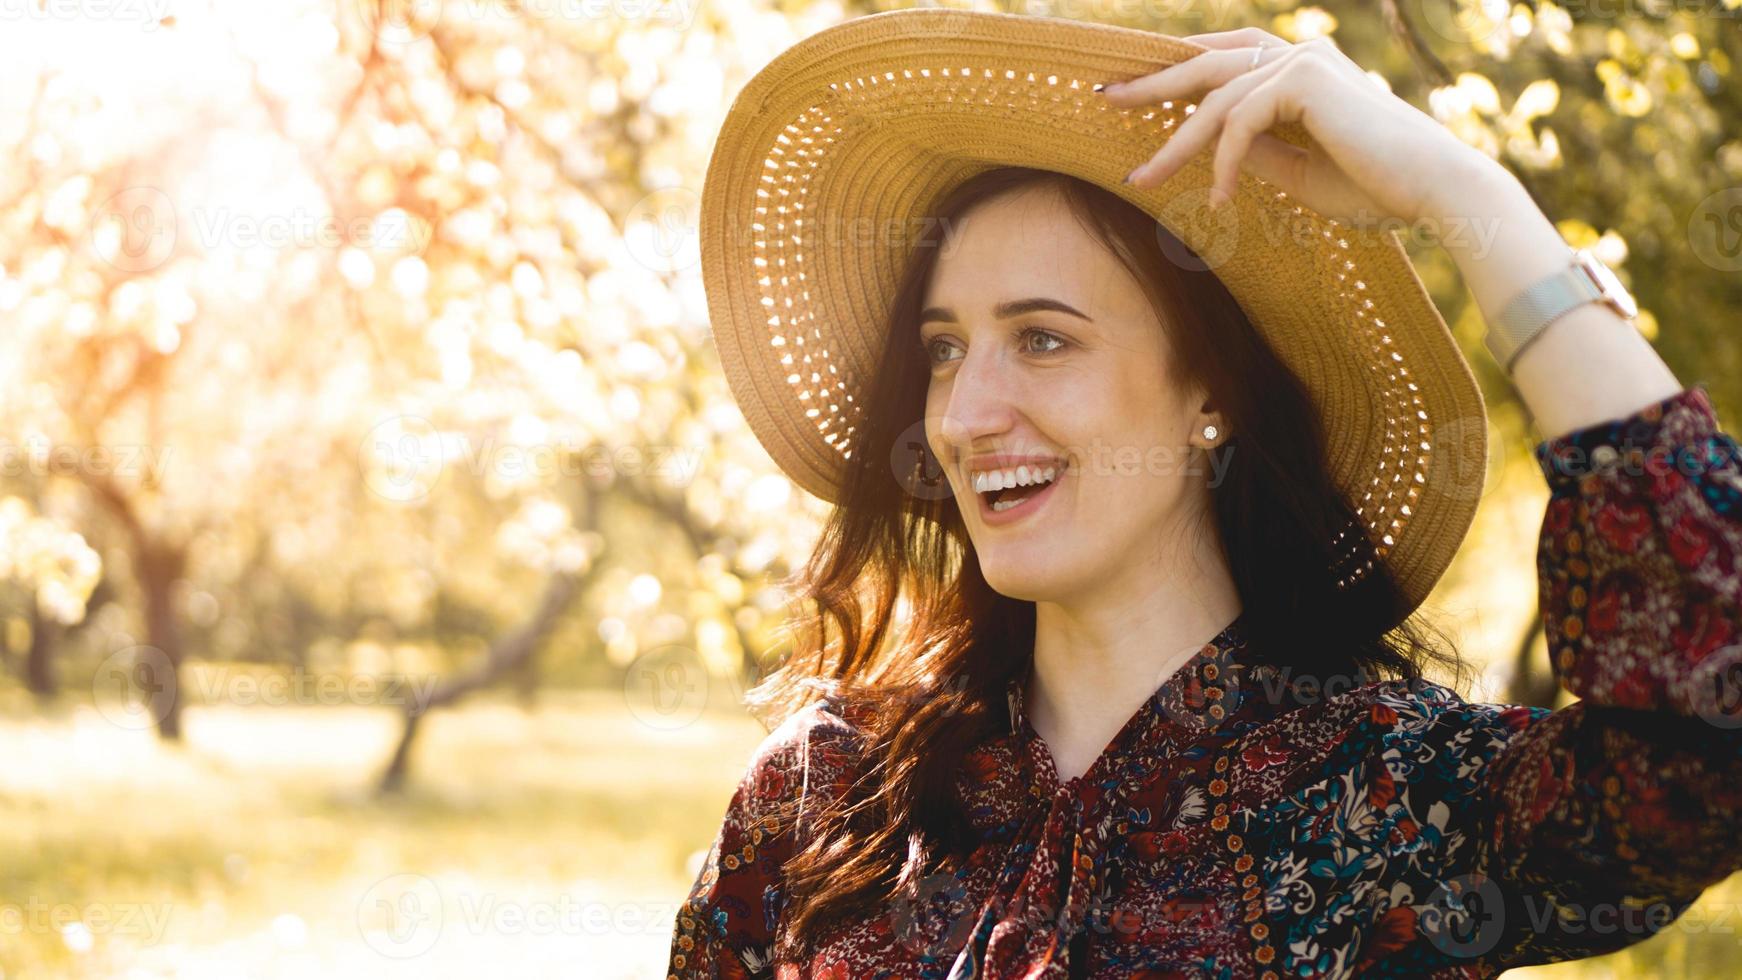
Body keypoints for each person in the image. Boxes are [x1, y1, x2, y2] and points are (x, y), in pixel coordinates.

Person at [667, 10, 1742, 978]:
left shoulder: (1393, 799)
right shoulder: (819, 794)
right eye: (945, 349)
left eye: (1041, 338)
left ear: (1210, 394)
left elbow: (1702, 740)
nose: (961, 413)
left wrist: (1466, 197)